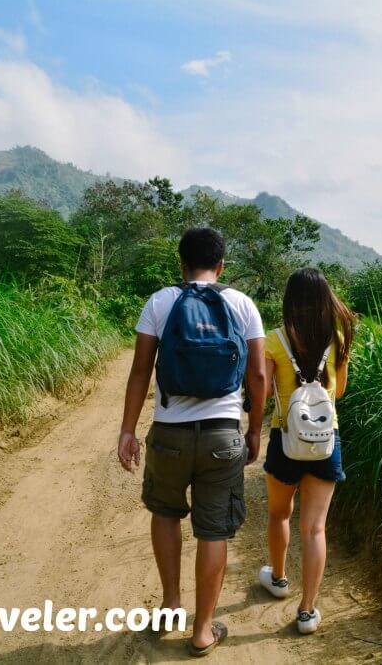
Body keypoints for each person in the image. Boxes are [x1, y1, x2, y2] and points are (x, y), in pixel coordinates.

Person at [117, 227, 267, 657]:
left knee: (164, 513)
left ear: (180, 264)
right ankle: (203, 630)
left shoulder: (161, 302)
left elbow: (140, 370)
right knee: (213, 530)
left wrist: (128, 430)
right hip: (223, 434)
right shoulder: (242, 304)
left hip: (169, 435)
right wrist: (254, 430)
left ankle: (170, 607)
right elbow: (257, 376)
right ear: (221, 265)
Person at [257, 267, 355, 635]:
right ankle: (307, 611)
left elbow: (264, 392)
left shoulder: (274, 339)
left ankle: (278, 579)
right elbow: (339, 392)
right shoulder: (338, 339)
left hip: (285, 440)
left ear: (290, 301)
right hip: (326, 441)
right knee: (314, 529)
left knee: (279, 514)